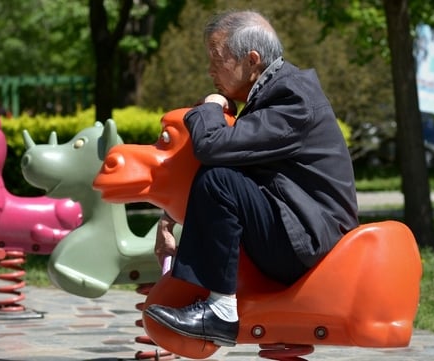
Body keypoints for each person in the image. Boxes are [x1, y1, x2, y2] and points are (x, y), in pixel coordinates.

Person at [145, 10, 359, 347]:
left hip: (308, 241)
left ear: (252, 60)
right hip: (294, 228)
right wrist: (168, 219)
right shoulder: (273, 93)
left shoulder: (292, 98)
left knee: (219, 179)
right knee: (222, 176)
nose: (210, 70)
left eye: (217, 60)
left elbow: (213, 147)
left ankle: (220, 312)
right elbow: (238, 159)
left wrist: (210, 106)